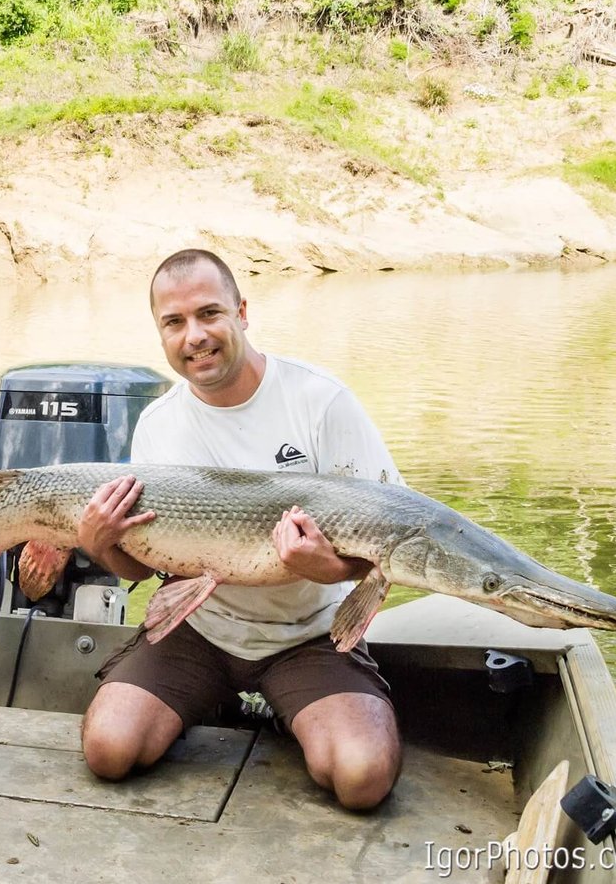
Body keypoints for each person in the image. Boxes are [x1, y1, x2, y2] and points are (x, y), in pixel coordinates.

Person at [76, 248, 402, 810]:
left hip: (308, 634)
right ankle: (223, 700)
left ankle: (288, 706)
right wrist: (99, 544)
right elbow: (147, 568)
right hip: (200, 630)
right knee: (110, 752)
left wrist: (328, 569)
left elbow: (390, 540)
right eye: (174, 323)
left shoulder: (320, 401)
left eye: (209, 314)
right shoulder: (158, 424)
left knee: (361, 779)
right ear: (160, 333)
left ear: (242, 312)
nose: (194, 336)